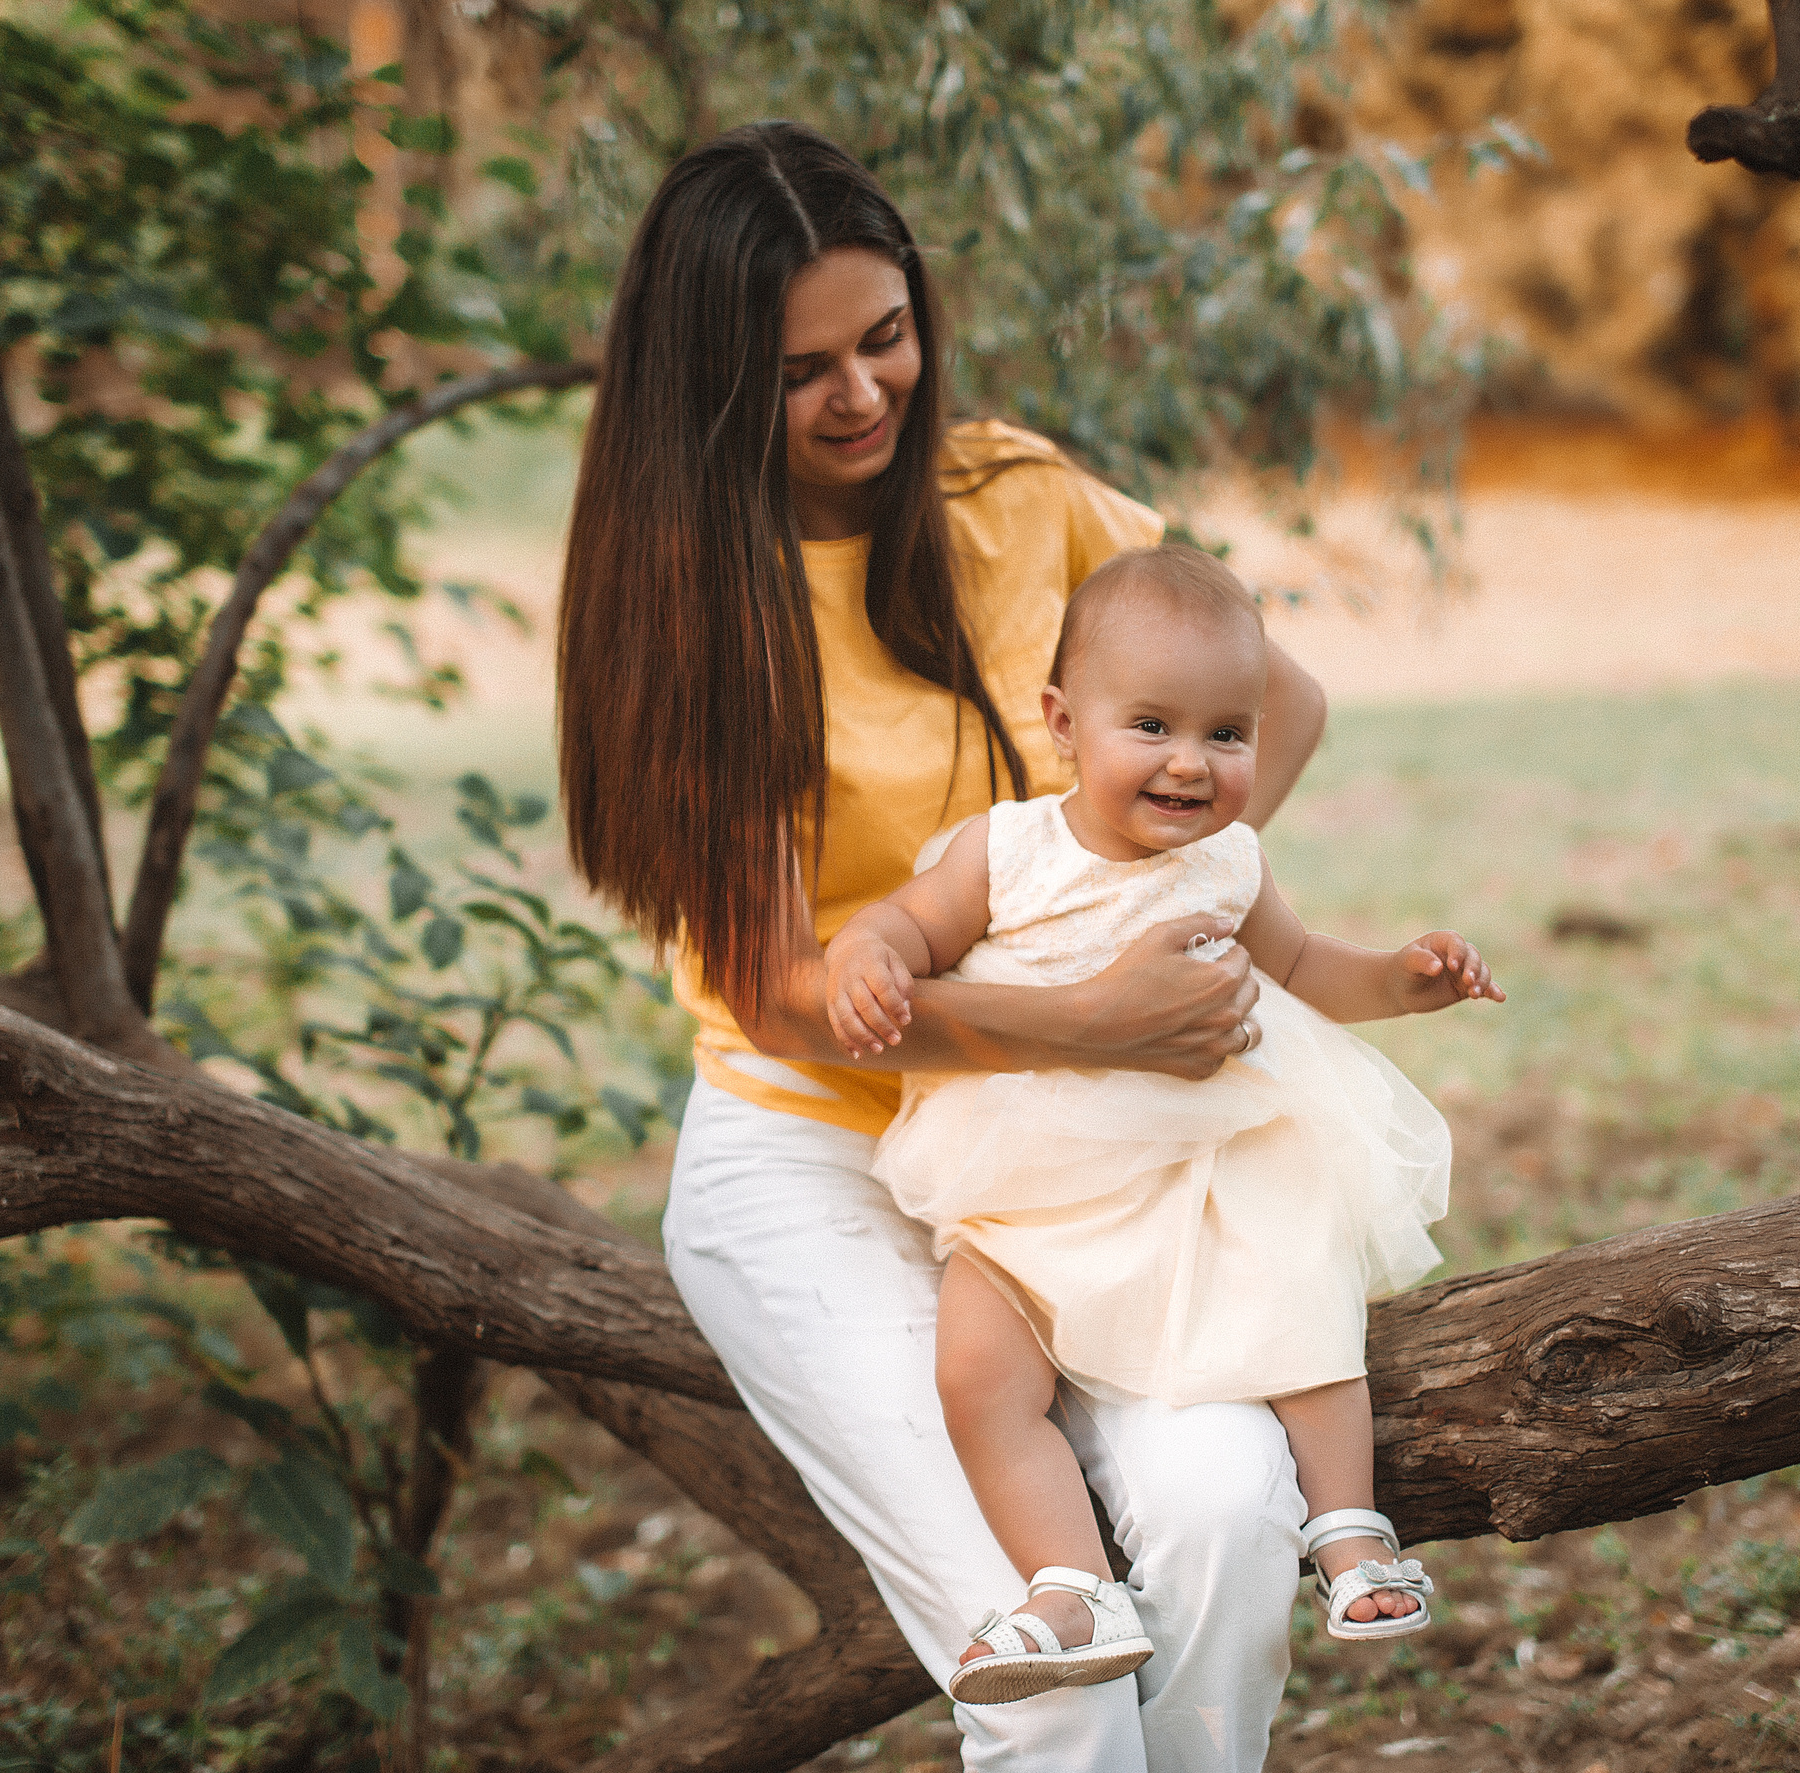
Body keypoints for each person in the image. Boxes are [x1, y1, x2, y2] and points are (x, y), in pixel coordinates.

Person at [557, 121, 1331, 1770]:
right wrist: (1095, 1015)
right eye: (800, 372)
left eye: (887, 336)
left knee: (1225, 1516)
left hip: (1073, 1154)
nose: (863, 394)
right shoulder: (695, 602)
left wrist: (1172, 902)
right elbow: (789, 997)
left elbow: (1289, 699)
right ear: (710, 385)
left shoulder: (1018, 498)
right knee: (1049, 1660)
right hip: (817, 1155)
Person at [821, 546, 1502, 1705]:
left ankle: (1349, 1529)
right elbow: (906, 924)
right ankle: (1070, 1587)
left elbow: (1306, 969)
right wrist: (866, 954)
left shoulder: (1228, 862)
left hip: (1202, 1167)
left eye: (1225, 733)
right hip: (1030, 1179)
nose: (1190, 761)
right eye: (1150, 725)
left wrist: (1403, 977)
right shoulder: (1008, 851)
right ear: (1063, 723)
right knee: (975, 1370)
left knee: (1299, 1298)